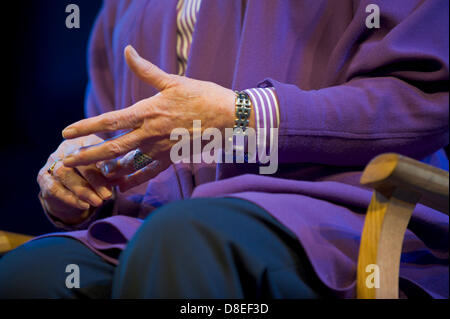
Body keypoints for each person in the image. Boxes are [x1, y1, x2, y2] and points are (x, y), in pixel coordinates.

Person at [0, 0, 448, 299]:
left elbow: (423, 99)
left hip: (337, 217)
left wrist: (240, 115)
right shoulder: (123, 6)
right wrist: (80, 181)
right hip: (153, 225)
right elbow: (118, 143)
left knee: (183, 240)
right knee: (31, 275)